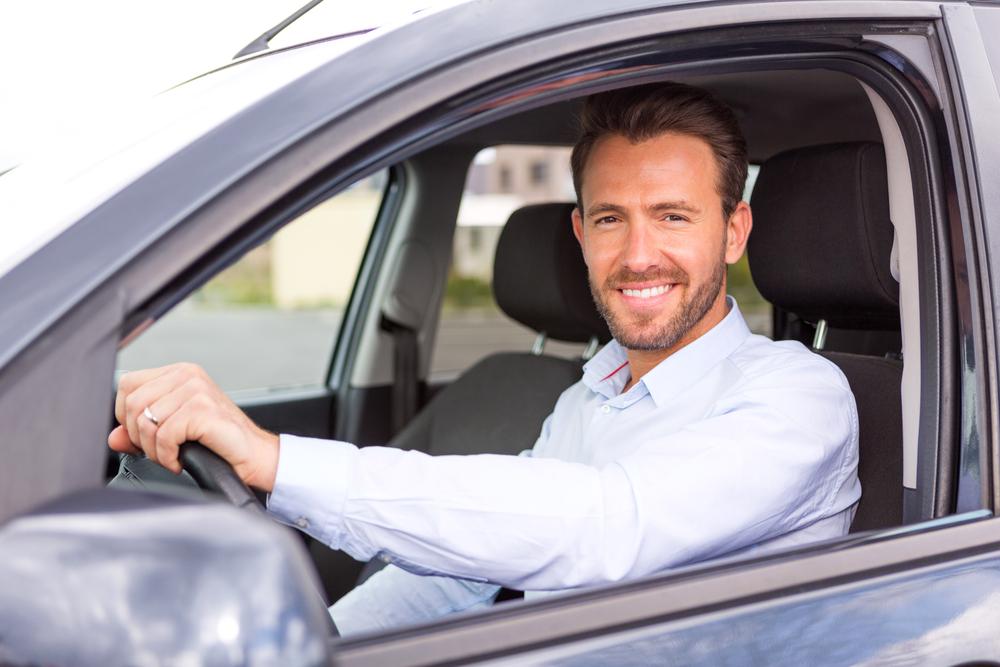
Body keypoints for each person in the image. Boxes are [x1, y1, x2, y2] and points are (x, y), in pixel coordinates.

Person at [110, 82, 860, 635]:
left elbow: (602, 531)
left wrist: (276, 460)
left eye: (672, 216)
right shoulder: (587, 399)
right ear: (580, 233)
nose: (638, 255)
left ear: (733, 233)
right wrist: (323, 642)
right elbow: (467, 572)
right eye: (610, 219)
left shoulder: (798, 396)